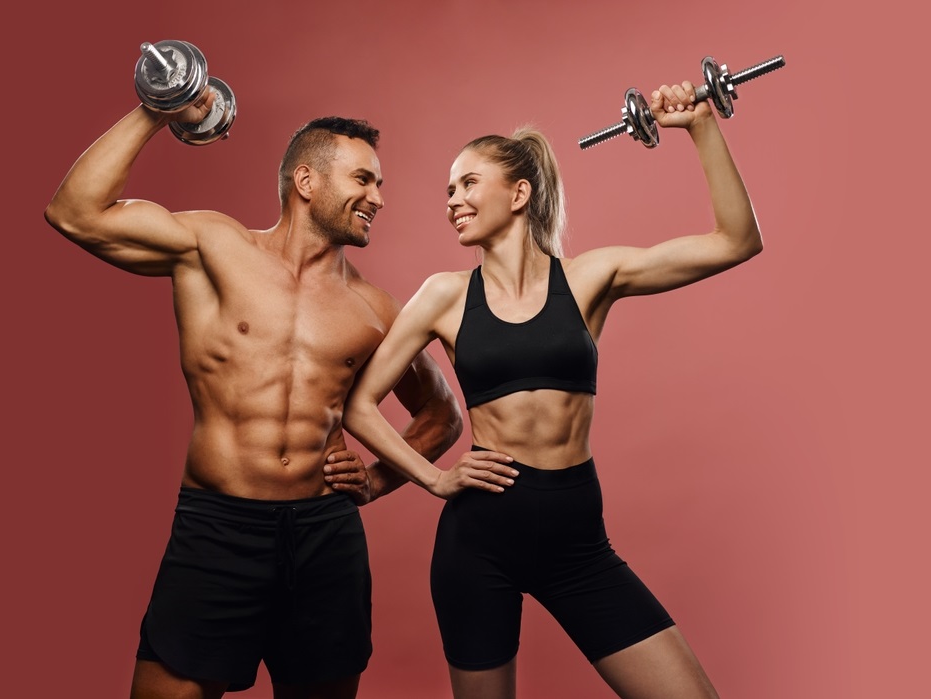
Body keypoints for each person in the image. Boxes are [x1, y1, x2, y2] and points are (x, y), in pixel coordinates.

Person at [43, 89, 507, 698]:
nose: (378, 198)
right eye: (363, 180)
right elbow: (74, 212)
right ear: (306, 180)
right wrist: (159, 109)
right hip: (218, 527)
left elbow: (441, 413)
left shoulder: (373, 308)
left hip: (324, 532)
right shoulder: (214, 247)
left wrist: (374, 480)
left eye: (380, 184)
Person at [343, 79, 764, 699]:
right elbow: (359, 404)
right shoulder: (443, 295)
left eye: (467, 184)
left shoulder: (591, 276)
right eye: (448, 191)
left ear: (519, 193)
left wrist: (701, 126)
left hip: (577, 540)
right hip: (478, 540)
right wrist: (432, 479)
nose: (453, 200)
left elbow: (736, 241)